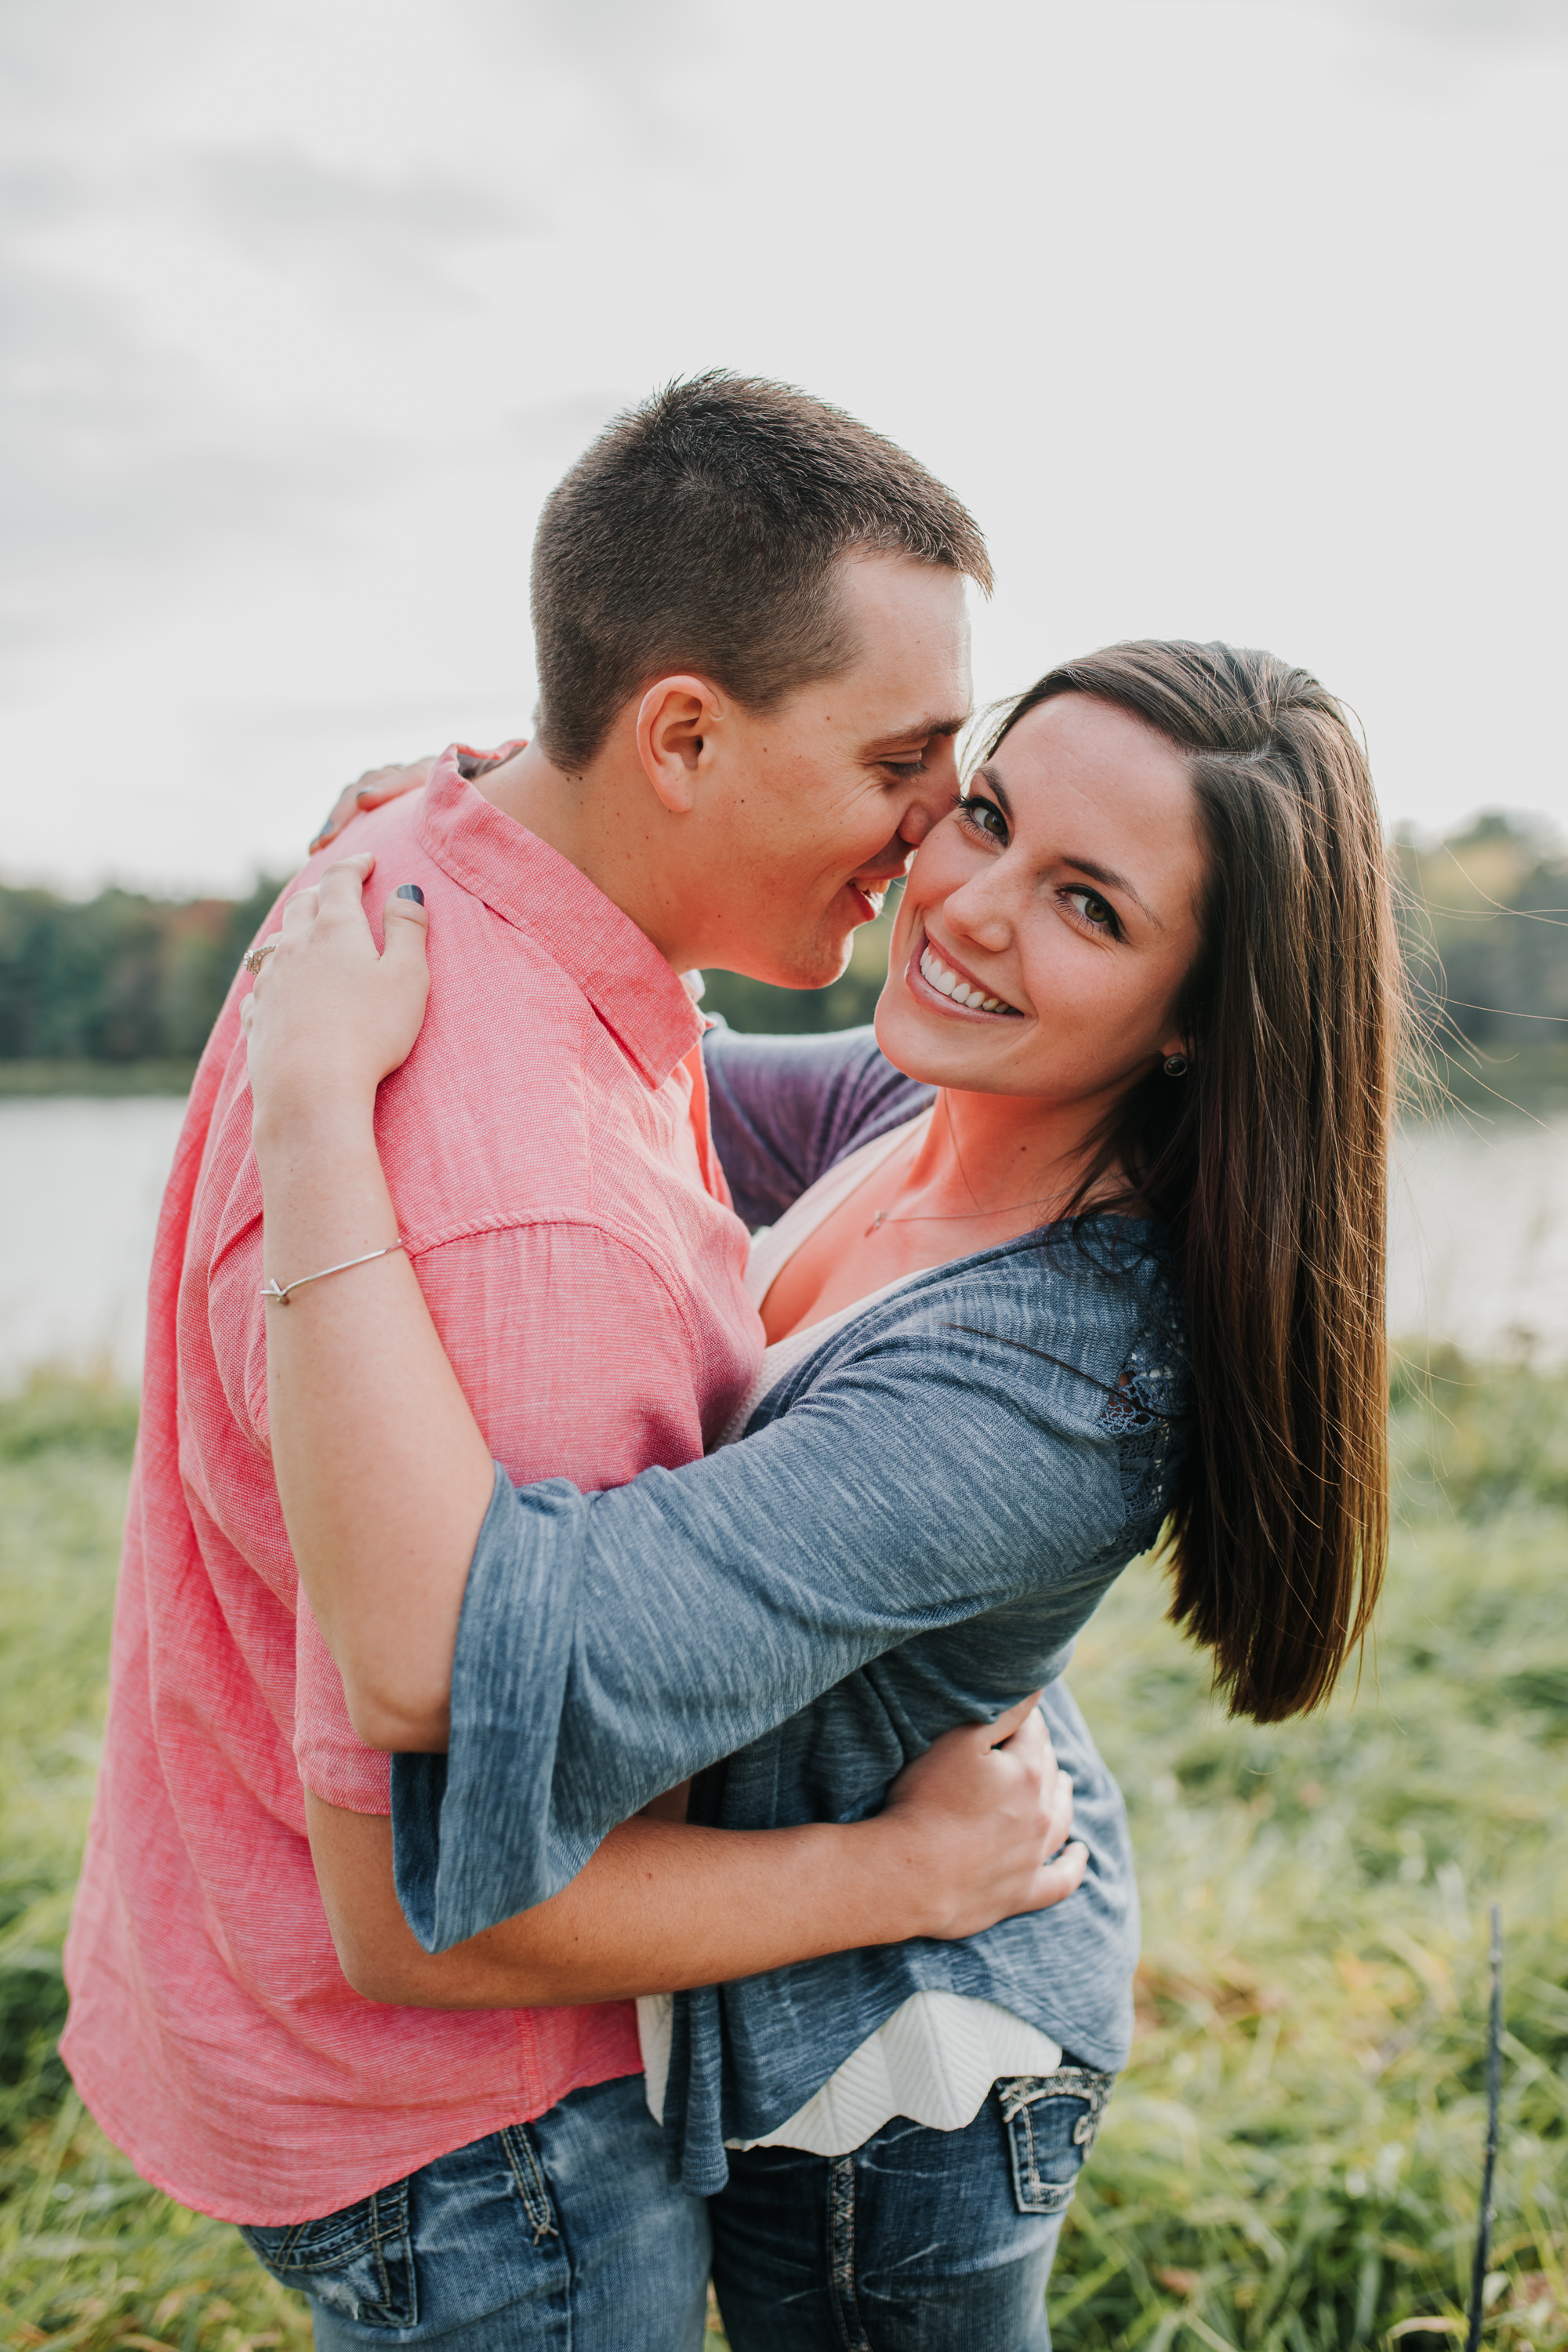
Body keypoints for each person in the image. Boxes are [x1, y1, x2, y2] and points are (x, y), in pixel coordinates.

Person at [60, 376, 1092, 2352]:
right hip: (485, 2151)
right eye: (903, 759)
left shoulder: (449, 864)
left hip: (273, 1999)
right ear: (681, 734)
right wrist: (909, 1868)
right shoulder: (520, 1236)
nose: (933, 834)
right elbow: (447, 1908)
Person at [241, 637, 1403, 2348]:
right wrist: (465, 853)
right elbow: (582, 1080)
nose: (971, 907)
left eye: (1089, 906)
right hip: (820, 1935)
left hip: (912, 2077)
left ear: (1196, 1020)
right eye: (987, 817)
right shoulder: (910, 1105)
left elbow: (463, 1644)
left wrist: (311, 1109)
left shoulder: (1055, 1374)